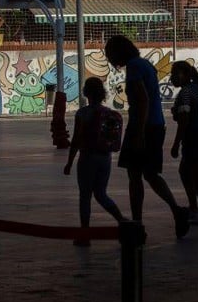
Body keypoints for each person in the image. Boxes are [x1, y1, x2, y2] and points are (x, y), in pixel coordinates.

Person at [104, 36, 190, 238]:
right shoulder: (145, 65)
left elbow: (142, 100)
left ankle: (137, 222)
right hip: (156, 124)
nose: (108, 57)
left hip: (143, 127)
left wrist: (139, 133)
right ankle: (177, 211)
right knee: (150, 174)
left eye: (110, 53)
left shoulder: (134, 68)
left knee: (134, 177)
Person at [64, 77, 125, 247]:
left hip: (88, 158)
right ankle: (122, 220)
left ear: (86, 93)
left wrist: (69, 162)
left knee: (85, 196)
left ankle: (85, 234)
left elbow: (76, 140)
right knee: (101, 194)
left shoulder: (83, 113)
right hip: (105, 158)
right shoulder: (108, 113)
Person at [169, 60, 198, 226]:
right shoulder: (197, 90)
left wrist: (175, 144)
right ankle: (194, 207)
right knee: (186, 172)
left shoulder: (186, 94)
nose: (172, 77)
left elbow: (183, 121)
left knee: (196, 177)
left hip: (193, 139)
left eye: (175, 74)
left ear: (186, 75)